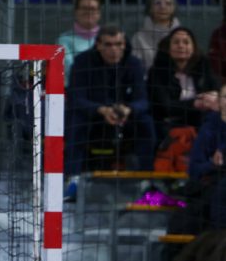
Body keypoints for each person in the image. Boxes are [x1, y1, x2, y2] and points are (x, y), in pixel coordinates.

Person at [67, 25, 158, 176]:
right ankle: (71, 177)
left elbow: (143, 100)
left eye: (118, 44)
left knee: (146, 123)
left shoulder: (134, 63)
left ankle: (145, 177)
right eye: (108, 45)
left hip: (124, 114)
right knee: (75, 124)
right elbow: (76, 98)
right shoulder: (82, 62)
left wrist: (128, 109)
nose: (114, 49)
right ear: (98, 45)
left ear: (124, 45)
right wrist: (101, 110)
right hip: (93, 113)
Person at [146, 27, 220, 145]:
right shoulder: (157, 71)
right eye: (176, 42)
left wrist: (214, 96)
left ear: (193, 47)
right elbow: (166, 106)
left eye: (186, 42)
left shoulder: (204, 66)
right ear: (168, 47)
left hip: (201, 120)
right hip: (168, 123)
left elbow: (216, 91)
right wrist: (196, 103)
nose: (181, 46)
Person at [56, 0, 102, 85]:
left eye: (93, 9)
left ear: (99, 13)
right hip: (74, 89)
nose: (89, 12)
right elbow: (68, 69)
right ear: (76, 12)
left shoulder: (109, 40)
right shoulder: (63, 40)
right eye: (84, 8)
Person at [131, 0, 181, 72]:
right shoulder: (139, 38)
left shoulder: (182, 37)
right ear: (150, 8)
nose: (163, 7)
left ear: (174, 9)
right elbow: (136, 69)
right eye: (158, 3)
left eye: (168, 4)